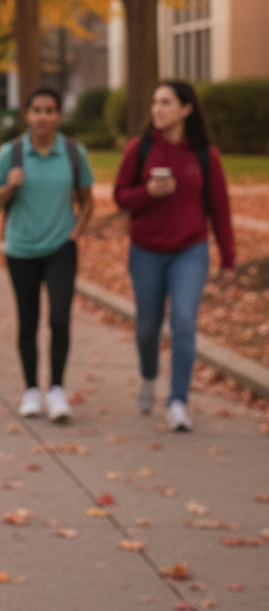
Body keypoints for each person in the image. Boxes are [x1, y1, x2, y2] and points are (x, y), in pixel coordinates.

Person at [113, 80, 235, 432]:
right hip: (146, 251)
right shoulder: (140, 148)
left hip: (190, 251)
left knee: (183, 322)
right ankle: (149, 377)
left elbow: (220, 209)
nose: (157, 109)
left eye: (166, 102)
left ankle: (178, 400)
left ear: (186, 109)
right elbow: (121, 197)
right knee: (148, 328)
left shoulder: (204, 154)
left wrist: (228, 258)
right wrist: (148, 193)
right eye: (155, 102)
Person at [0, 87, 94, 422]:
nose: (43, 116)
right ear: (27, 115)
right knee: (28, 320)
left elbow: (88, 199)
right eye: (36, 110)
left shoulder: (73, 152)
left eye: (49, 110)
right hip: (21, 249)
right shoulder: (11, 154)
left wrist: (75, 233)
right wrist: (10, 185)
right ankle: (32, 390)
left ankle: (57, 390)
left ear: (58, 115)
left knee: (60, 318)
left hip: (61, 247)